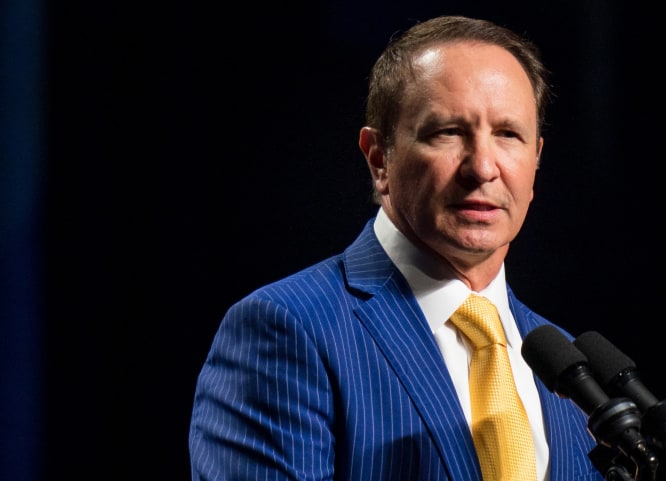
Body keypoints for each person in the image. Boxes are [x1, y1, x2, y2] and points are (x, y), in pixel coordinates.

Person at [189, 15, 605, 481]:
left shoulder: (571, 370)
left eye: (508, 134)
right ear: (379, 159)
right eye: (447, 131)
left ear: (536, 162)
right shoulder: (287, 328)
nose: (484, 167)